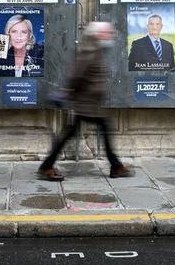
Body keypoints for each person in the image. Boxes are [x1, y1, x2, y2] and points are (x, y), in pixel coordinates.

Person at [37, 22, 132, 181]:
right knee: (97, 128)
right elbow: (77, 76)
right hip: (87, 104)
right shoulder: (90, 52)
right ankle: (116, 166)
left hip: (89, 103)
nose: (110, 36)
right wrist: (66, 93)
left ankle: (47, 166)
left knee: (71, 132)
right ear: (97, 35)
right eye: (106, 33)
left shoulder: (95, 50)